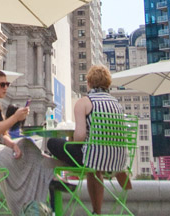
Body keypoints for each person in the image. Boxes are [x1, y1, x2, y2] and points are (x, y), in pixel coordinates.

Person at [0, 68, 59, 216]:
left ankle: (34, 202)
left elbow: (1, 135)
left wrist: (13, 145)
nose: (6, 88)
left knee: (27, 148)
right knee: (31, 154)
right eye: (2, 84)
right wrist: (15, 118)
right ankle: (35, 201)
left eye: (7, 84)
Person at [48, 65, 132, 215]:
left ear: (89, 83)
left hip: (93, 158)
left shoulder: (85, 102)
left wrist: (71, 140)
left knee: (52, 143)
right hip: (118, 159)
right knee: (93, 165)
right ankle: (96, 211)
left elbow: (80, 137)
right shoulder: (117, 105)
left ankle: (57, 178)